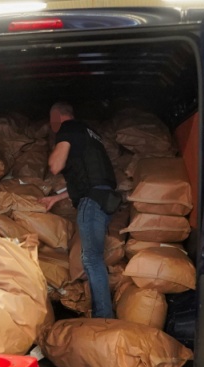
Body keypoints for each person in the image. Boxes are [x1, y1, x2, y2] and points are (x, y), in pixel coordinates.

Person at [40, 102, 118, 319]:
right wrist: (56, 197)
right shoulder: (90, 134)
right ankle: (102, 312)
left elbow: (56, 165)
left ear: (57, 117)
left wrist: (54, 150)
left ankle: (103, 317)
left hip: (91, 202)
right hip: (105, 199)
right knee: (94, 257)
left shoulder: (68, 129)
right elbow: (91, 178)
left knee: (92, 259)